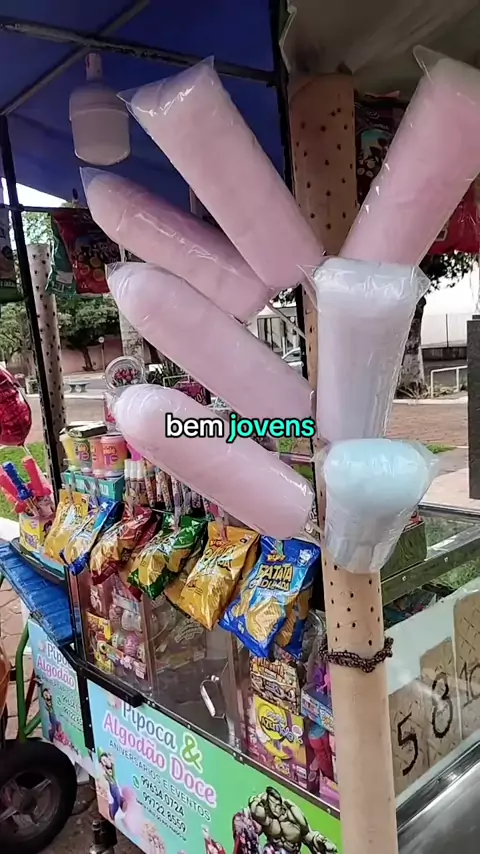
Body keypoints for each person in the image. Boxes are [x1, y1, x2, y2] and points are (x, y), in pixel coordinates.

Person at [249, 786, 337, 854]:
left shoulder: (293, 814)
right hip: (272, 850)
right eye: (274, 806)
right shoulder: (265, 815)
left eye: (278, 805)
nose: (277, 809)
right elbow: (251, 811)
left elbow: (307, 835)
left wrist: (320, 841)